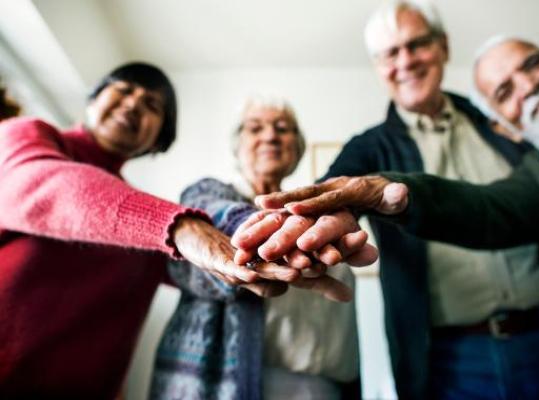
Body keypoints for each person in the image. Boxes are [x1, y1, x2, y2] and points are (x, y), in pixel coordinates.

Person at [232, 2, 539, 397]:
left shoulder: (501, 117)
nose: (406, 62)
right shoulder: (369, 147)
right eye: (390, 54)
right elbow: (336, 190)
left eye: (417, 45)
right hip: (455, 357)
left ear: (444, 47)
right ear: (379, 68)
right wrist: (312, 222)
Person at [0, 63, 357, 398]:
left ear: (159, 136)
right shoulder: (26, 137)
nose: (133, 104)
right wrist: (187, 230)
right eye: (122, 90)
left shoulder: (133, 216)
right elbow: (51, 189)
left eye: (151, 103)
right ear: (93, 97)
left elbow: (187, 269)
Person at [151, 97, 372, 400]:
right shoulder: (207, 194)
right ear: (238, 145)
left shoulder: (320, 214)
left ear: (297, 147)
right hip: (225, 388)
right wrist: (260, 227)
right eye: (256, 128)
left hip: (325, 387)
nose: (270, 136)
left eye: (283, 129)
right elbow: (203, 224)